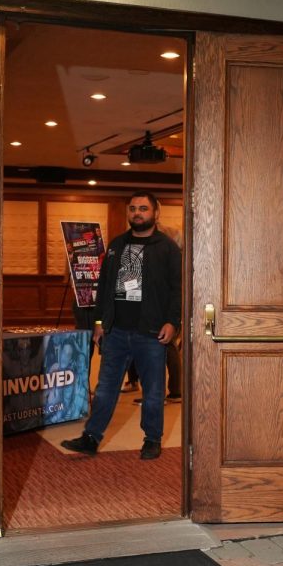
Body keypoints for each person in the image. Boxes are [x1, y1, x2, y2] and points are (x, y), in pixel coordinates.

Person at [62, 191, 182, 460]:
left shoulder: (167, 248)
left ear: (155, 213)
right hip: (116, 332)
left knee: (152, 391)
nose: (137, 213)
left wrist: (173, 322)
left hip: (150, 333)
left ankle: (152, 439)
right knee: (105, 389)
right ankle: (91, 438)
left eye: (143, 208)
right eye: (133, 209)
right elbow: (104, 288)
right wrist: (100, 322)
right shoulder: (117, 245)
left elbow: (178, 290)